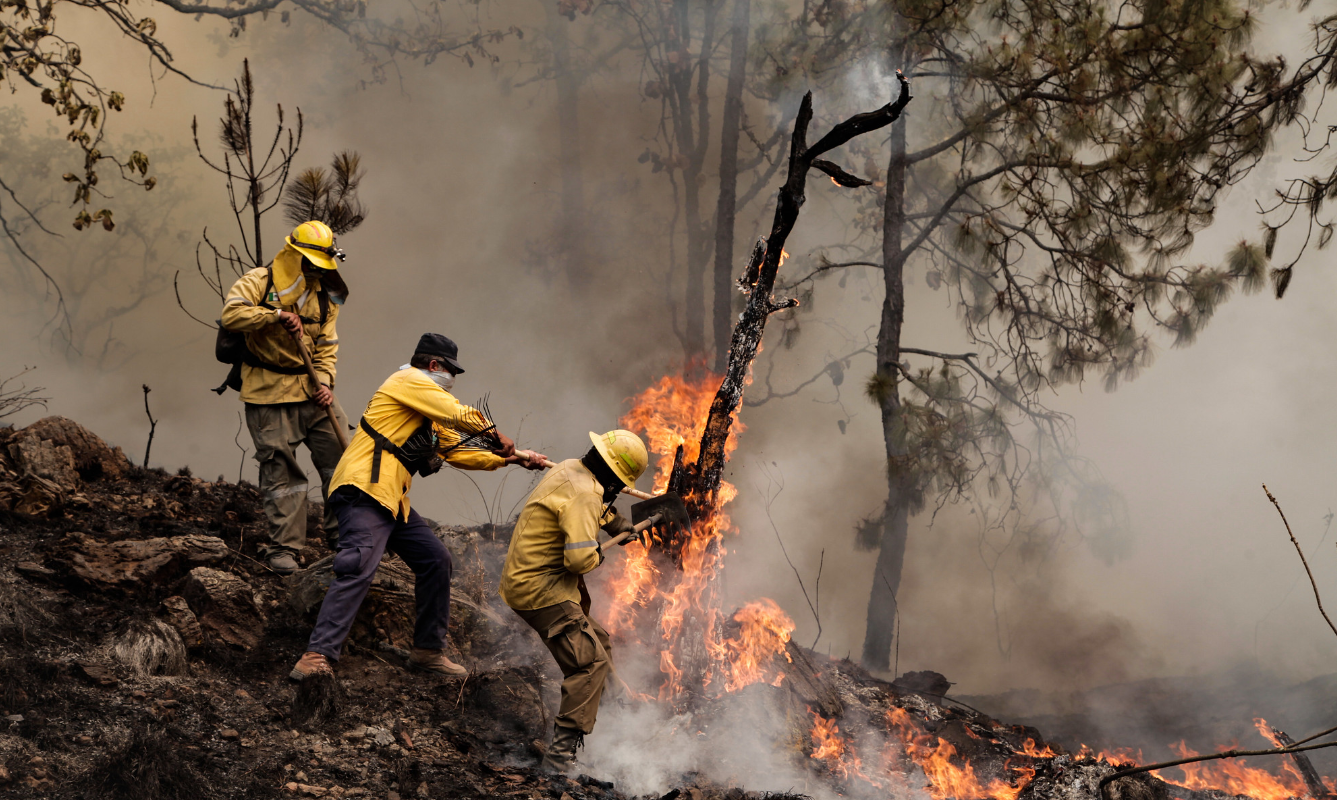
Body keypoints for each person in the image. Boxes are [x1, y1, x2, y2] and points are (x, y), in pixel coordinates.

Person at [290, 333, 543, 680]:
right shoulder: (407, 380)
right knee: (358, 563)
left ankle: (426, 652)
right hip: (364, 488)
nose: (452, 380)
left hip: (391, 499)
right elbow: (457, 413)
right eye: (450, 371)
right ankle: (316, 655)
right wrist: (496, 434)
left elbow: (458, 451)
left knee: (435, 560)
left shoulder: (428, 411)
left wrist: (512, 460)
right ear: (434, 365)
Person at [499, 430, 645, 773]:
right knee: (589, 664)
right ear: (613, 476)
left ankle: (617, 715)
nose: (618, 489)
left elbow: (590, 506)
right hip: (541, 591)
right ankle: (559, 759)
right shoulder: (586, 496)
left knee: (601, 642)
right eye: (620, 482)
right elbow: (579, 561)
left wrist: (618, 524)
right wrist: (597, 553)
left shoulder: (570, 468)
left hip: (531, 580)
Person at [220, 220, 352, 575]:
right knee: (283, 474)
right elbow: (230, 313)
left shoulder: (326, 294)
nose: (313, 270)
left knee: (342, 462)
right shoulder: (260, 281)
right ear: (293, 254)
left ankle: (348, 539)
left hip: (313, 392)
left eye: (319, 265)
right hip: (268, 391)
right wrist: (274, 316)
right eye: (308, 263)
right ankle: (284, 551)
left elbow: (327, 347)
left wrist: (325, 382)